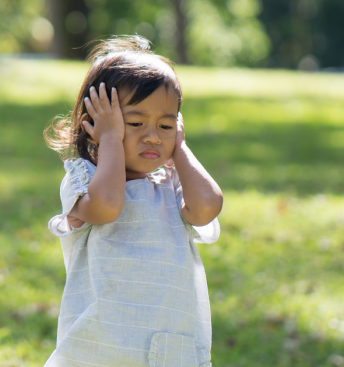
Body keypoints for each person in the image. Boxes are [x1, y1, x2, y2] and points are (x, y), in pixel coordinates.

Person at [43, 35, 224, 367]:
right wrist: (111, 138)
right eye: (136, 123)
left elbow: (207, 208)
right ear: (93, 124)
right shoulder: (82, 180)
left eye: (166, 125)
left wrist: (179, 149)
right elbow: (107, 207)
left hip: (168, 350)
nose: (153, 135)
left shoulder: (172, 186)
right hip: (100, 349)